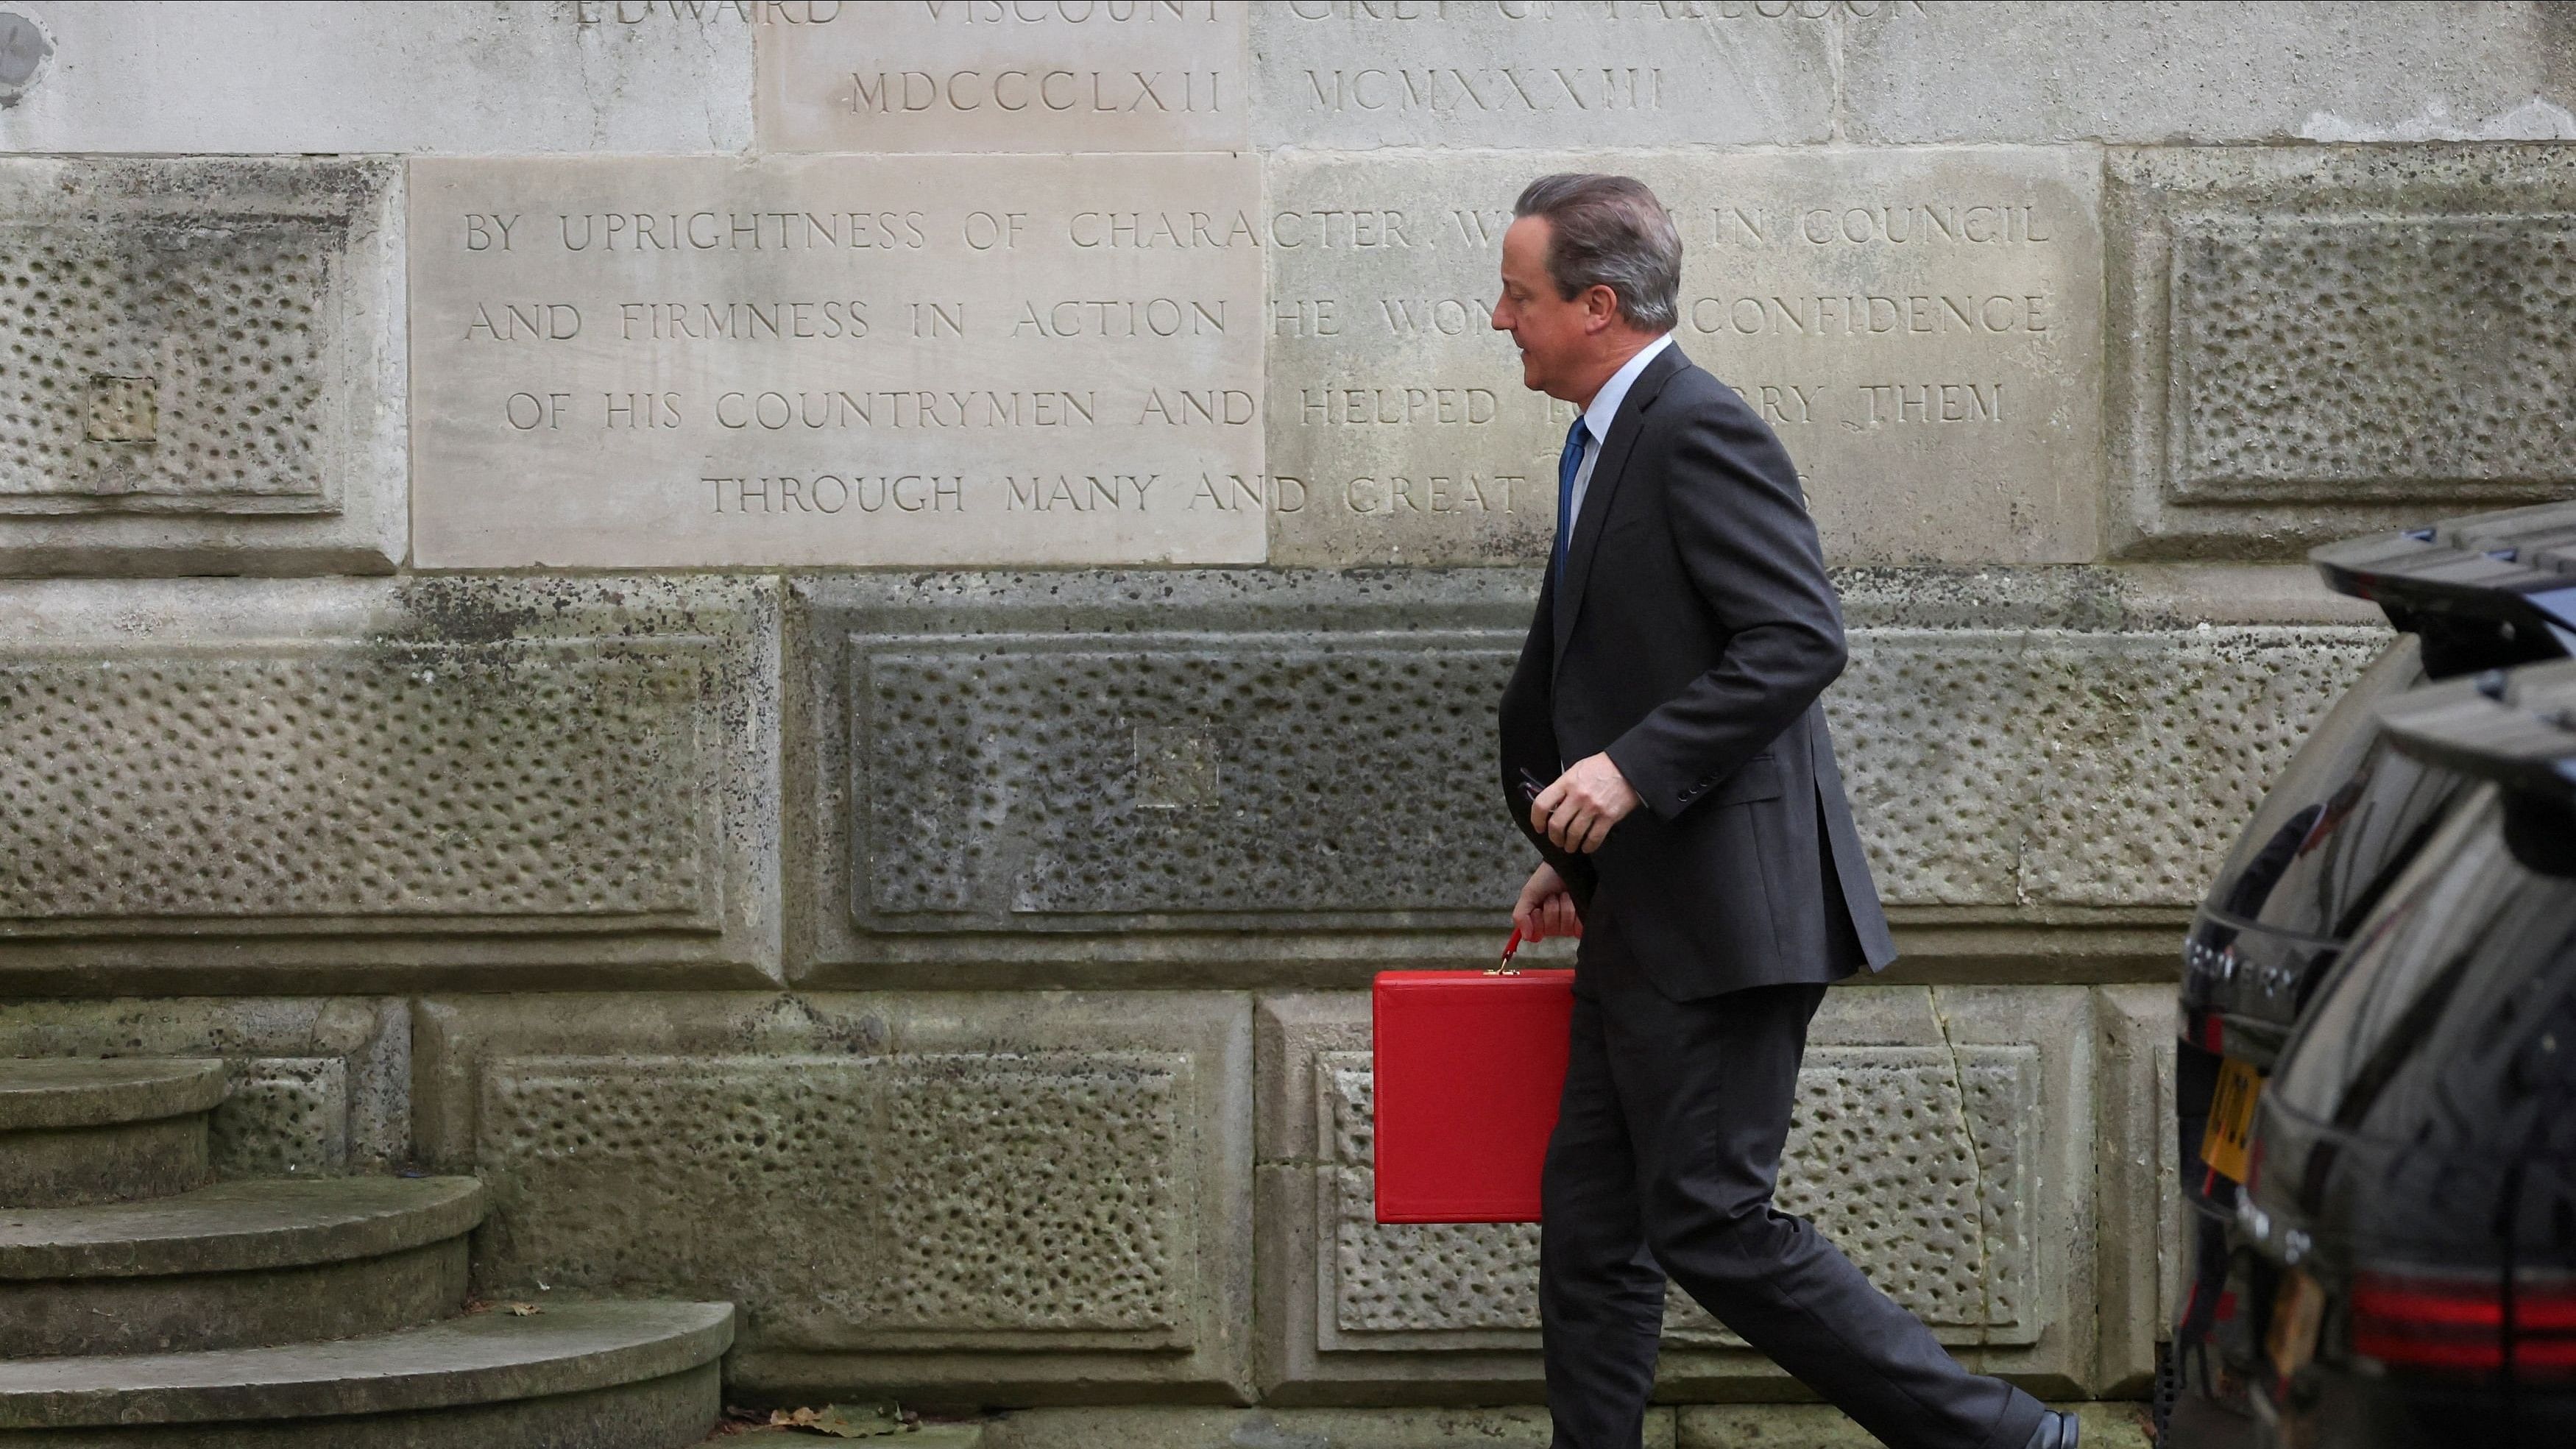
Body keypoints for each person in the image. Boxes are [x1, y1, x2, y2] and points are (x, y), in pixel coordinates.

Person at [1490, 173, 2078, 1449]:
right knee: (1594, 1226)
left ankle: (2008, 1438)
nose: (1500, 319)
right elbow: (1621, 652)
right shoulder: (1600, 436)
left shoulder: (1699, 428)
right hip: (1644, 906)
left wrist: (1629, 770)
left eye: (1519, 294)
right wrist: (1569, 841)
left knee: (1708, 1219)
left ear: (1597, 306)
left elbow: (1799, 637)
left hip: (1725, 921)